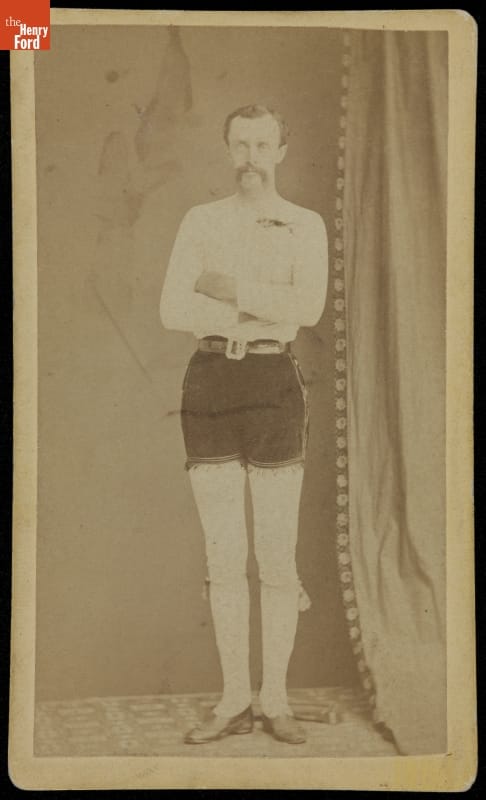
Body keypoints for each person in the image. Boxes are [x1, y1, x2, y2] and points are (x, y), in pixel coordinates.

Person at [160, 104, 328, 745]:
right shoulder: (200, 220)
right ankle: (234, 700)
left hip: (274, 384)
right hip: (208, 382)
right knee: (223, 554)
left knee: (276, 556)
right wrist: (259, 303)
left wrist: (229, 289)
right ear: (227, 149)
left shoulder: (304, 224)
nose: (251, 157)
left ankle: (275, 699)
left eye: (262, 145)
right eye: (240, 144)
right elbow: (172, 309)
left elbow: (307, 307)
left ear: (281, 150)